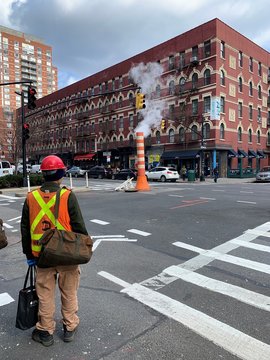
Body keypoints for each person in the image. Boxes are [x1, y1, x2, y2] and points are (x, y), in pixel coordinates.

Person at [21, 155, 88, 347]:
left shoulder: (31, 197)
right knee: (69, 292)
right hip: (67, 255)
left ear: (42, 174)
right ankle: (69, 327)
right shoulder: (68, 196)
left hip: (42, 257)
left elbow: (25, 229)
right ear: (61, 174)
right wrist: (83, 249)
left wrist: (29, 255)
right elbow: (79, 228)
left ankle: (45, 331)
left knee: (45, 294)